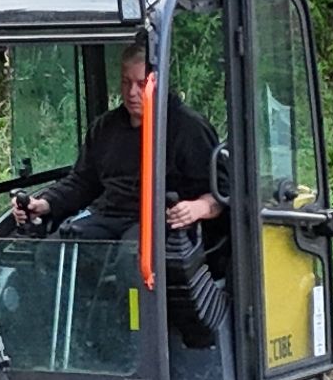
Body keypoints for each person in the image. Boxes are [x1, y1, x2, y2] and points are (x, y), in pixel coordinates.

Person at [12, 41, 219, 247]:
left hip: (162, 222)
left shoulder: (189, 129)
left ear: (159, 82)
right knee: (54, 251)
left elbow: (221, 193)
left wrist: (199, 207)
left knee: (131, 258)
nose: (131, 93)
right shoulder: (105, 127)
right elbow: (82, 181)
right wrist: (45, 203)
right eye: (126, 82)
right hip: (108, 216)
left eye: (141, 84)